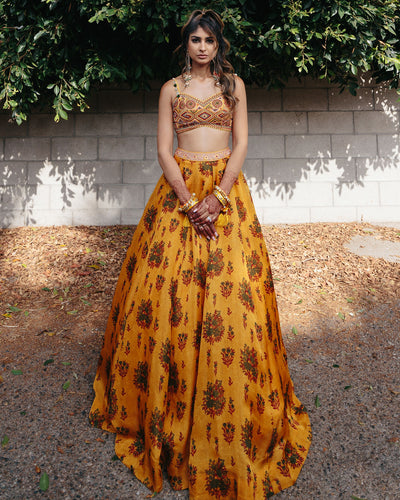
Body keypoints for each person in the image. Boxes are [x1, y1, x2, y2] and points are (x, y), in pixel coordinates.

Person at [89, 9, 311, 498]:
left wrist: (219, 197)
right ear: (185, 43)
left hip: (226, 196)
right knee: (168, 294)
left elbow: (242, 142)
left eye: (210, 40)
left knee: (236, 294)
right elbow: (163, 150)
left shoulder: (234, 86)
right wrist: (191, 204)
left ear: (218, 44)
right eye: (196, 39)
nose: (203, 47)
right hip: (179, 195)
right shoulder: (171, 89)